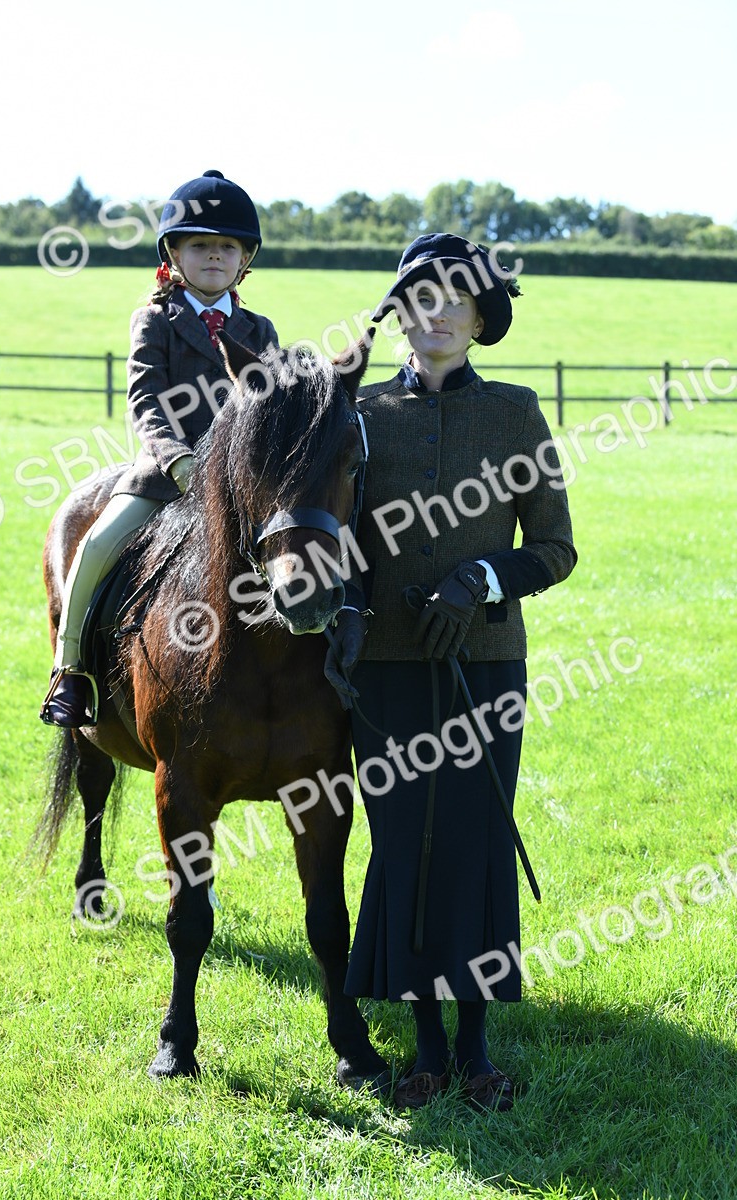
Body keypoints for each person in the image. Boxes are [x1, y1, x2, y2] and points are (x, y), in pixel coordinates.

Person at [324, 234, 577, 1111]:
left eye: (454, 301)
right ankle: (423, 1045)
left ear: (479, 320)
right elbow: (338, 539)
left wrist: (483, 578)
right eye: (419, 297)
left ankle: (476, 1048)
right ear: (399, 311)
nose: (435, 313)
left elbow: (555, 548)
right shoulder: (357, 416)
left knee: (472, 845)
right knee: (402, 848)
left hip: (486, 667)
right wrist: (351, 609)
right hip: (383, 672)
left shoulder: (514, 412)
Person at [41, 170, 278, 727]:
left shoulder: (260, 329)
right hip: (164, 475)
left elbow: (270, 407)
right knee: (95, 543)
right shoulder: (154, 321)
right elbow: (146, 400)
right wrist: (177, 458)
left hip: (237, 484)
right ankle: (70, 670)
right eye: (200, 246)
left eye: (227, 247)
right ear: (173, 254)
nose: (214, 257)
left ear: (245, 260)